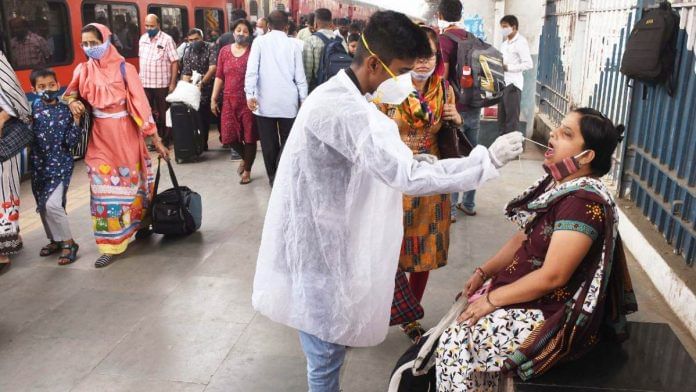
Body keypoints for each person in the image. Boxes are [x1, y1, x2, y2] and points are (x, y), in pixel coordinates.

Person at [252, 11, 524, 391]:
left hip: (325, 238)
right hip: (321, 249)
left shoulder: (345, 96)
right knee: (325, 356)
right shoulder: (347, 110)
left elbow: (392, 162)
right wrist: (485, 162)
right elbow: (406, 176)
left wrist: (429, 160)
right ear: (375, 63)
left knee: (327, 349)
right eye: (400, 71)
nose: (405, 81)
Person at [435, 108, 635, 391]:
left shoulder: (581, 202)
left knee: (459, 338)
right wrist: (485, 272)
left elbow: (553, 276)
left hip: (554, 312)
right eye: (558, 128)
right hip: (536, 298)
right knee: (464, 315)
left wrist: (493, 300)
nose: (553, 135)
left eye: (566, 134)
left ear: (587, 156)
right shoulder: (561, 185)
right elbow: (524, 239)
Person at [378, 27, 462, 343]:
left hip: (429, 182)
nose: (423, 62)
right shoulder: (388, 89)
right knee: (386, 249)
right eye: (416, 55)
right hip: (393, 179)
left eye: (428, 55)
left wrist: (456, 119)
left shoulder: (444, 90)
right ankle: (374, 310)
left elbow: (450, 133)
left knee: (423, 251)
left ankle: (410, 315)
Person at [64, 23, 169, 268]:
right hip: (99, 137)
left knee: (132, 183)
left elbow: (141, 104)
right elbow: (70, 93)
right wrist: (72, 103)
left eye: (94, 42)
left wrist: (156, 139)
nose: (90, 48)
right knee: (102, 189)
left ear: (107, 40)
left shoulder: (125, 68)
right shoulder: (83, 70)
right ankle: (109, 244)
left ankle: (141, 224)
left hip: (126, 134)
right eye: (85, 44)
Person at [244, 10, 307, 186]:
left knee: (268, 143)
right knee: (288, 141)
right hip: (289, 102)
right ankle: (282, 174)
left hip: (264, 102)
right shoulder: (294, 45)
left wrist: (250, 94)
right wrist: (303, 99)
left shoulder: (259, 42)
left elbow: (251, 72)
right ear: (286, 26)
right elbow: (300, 77)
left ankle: (273, 178)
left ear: (268, 26)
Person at [29, 68, 82, 266]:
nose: (48, 89)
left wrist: (76, 120)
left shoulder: (66, 110)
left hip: (61, 165)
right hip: (38, 166)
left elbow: (71, 142)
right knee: (43, 207)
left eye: (52, 85)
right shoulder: (32, 110)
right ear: (33, 89)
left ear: (58, 86)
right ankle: (55, 240)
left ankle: (69, 243)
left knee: (53, 205)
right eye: (42, 87)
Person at [437, 0, 480, 219]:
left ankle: (451, 209)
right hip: (474, 104)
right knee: (472, 153)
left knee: (453, 154)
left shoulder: (444, 39)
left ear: (440, 14)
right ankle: (469, 203)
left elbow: (442, 77)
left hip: (454, 105)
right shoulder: (471, 37)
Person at [212, 19, 259, 185]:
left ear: (250, 35)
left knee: (250, 137)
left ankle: (247, 170)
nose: (241, 33)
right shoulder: (224, 51)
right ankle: (246, 159)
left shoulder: (253, 51)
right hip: (228, 100)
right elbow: (219, 76)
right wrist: (213, 97)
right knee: (229, 137)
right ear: (233, 32)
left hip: (247, 101)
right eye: (238, 30)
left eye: (245, 31)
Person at [0, 50, 32, 275]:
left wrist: (2, 117)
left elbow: (17, 98)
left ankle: (2, 248)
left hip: (3, 139)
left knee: (3, 191)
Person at [139, 14, 179, 147]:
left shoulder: (167, 40)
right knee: (148, 113)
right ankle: (155, 139)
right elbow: (142, 60)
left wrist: (172, 83)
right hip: (145, 83)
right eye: (147, 26)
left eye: (152, 26)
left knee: (163, 114)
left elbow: (174, 62)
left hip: (162, 84)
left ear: (158, 25)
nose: (149, 28)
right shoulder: (143, 39)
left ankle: (165, 139)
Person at [180, 28, 218, 151]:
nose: (194, 42)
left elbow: (213, 68)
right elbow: (186, 72)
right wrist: (185, 89)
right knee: (201, 116)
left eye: (196, 39)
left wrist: (202, 82)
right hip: (196, 88)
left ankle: (226, 139)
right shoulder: (187, 51)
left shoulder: (211, 47)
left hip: (212, 86)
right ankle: (202, 143)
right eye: (191, 40)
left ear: (202, 38)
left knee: (216, 114)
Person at [498, 15, 533, 136]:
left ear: (513, 27)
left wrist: (509, 68)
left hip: (513, 85)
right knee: (502, 119)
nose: (503, 29)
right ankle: (502, 149)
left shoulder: (520, 42)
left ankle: (511, 152)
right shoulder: (505, 44)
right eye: (501, 27)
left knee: (512, 121)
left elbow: (528, 64)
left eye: (505, 27)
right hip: (503, 84)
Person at [303, 8, 335, 92]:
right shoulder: (340, 40)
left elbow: (307, 72)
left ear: (315, 23)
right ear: (331, 23)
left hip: (318, 89)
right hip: (336, 88)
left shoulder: (311, 40)